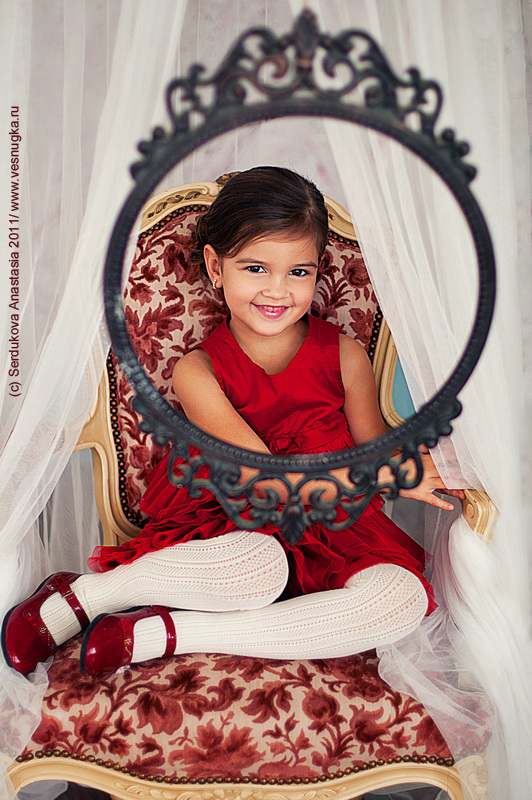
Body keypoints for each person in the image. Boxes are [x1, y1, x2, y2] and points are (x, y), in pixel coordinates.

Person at [1, 167, 465, 678]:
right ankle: (89, 594)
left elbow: (374, 448)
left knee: (401, 598)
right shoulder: (197, 371)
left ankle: (158, 633)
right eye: (255, 268)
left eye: (299, 272)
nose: (278, 291)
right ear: (215, 267)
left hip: (335, 522)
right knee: (260, 567)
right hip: (240, 519)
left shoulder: (345, 354)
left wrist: (424, 464)